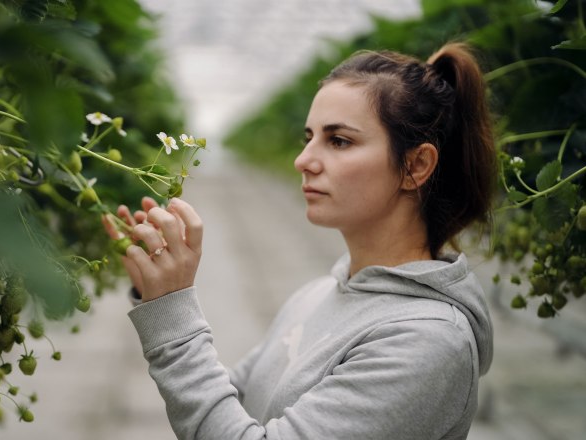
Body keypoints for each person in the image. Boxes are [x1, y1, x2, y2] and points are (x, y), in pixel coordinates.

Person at [103, 42, 495, 439]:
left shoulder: (427, 341)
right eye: (309, 137)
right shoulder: (318, 294)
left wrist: (172, 315)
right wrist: (159, 291)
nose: (303, 160)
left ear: (416, 165)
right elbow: (230, 407)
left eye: (338, 140)